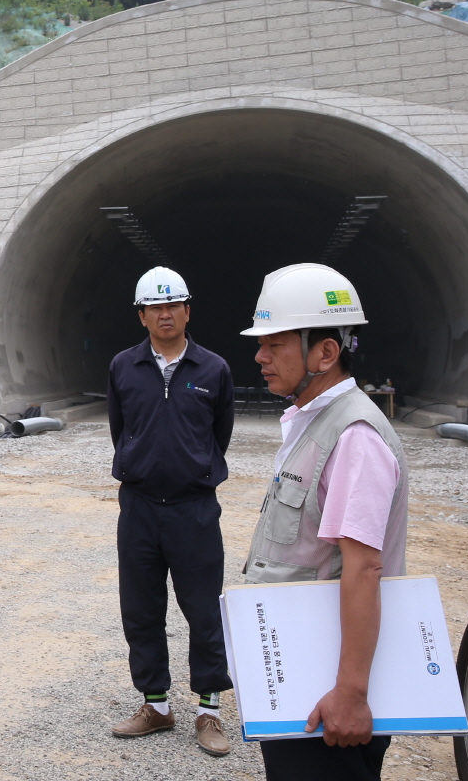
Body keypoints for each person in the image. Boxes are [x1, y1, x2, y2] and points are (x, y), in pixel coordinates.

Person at [240, 264, 408, 779]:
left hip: (328, 689)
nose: (259, 356)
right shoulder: (312, 420)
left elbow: (363, 568)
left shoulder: (355, 436)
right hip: (299, 670)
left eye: (274, 344)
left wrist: (352, 694)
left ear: (325, 353)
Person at [107, 266, 235, 756]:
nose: (165, 313)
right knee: (141, 610)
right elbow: (122, 430)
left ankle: (209, 712)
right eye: (155, 307)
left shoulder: (213, 369)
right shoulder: (123, 367)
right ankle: (156, 705)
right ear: (141, 316)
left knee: (203, 610)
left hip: (194, 509)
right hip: (138, 507)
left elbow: (218, 435)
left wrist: (191, 467)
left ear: (187, 310)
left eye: (174, 304)